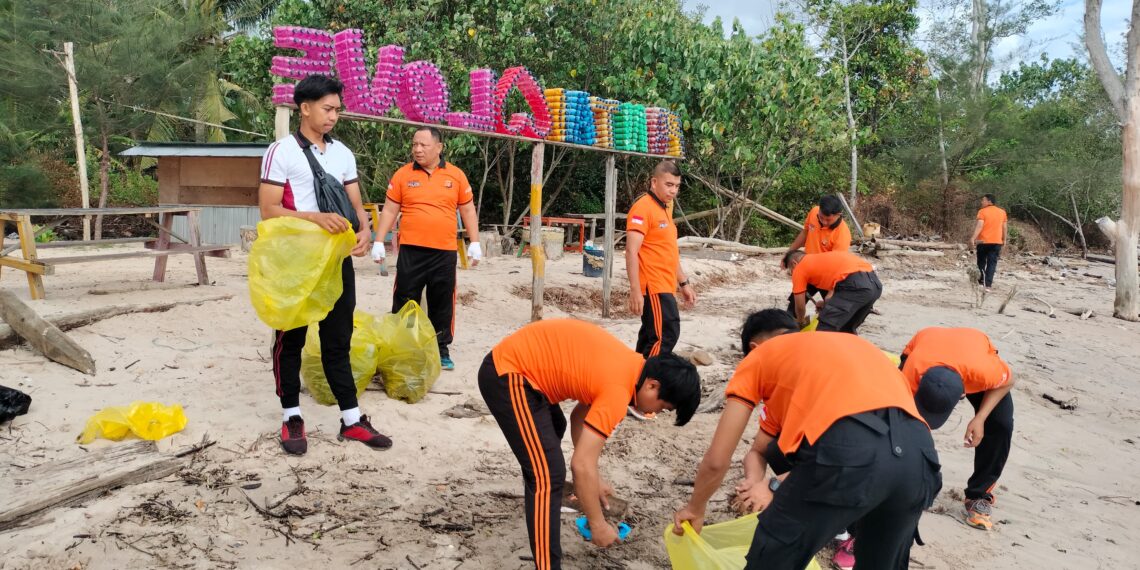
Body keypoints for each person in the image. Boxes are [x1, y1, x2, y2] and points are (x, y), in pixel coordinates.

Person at [673, 310, 941, 569]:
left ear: (753, 348)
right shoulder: (846, 347)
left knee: (772, 555)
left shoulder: (761, 357)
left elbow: (718, 459)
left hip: (850, 456)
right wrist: (756, 481)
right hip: (920, 459)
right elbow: (760, 450)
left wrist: (696, 508)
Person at [479, 319, 701, 570]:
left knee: (553, 431)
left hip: (524, 374)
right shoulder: (618, 390)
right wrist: (597, 524)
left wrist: (594, 479)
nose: (657, 413)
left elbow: (579, 418)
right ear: (652, 385)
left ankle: (546, 499)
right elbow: (581, 464)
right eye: (663, 407)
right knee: (547, 476)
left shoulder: (630, 367)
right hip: (509, 375)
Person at [257, 74, 392, 454]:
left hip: (335, 262)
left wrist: (365, 231)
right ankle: (291, 416)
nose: (333, 116)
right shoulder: (280, 151)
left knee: (338, 339)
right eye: (327, 108)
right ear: (305, 107)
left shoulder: (342, 154)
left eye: (337, 109)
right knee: (291, 339)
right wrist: (316, 219)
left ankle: (351, 420)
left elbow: (355, 205)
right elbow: (268, 210)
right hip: (296, 262)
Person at [371, 126, 482, 371]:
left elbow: (467, 209)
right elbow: (390, 210)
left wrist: (474, 241)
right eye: (414, 145)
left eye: (423, 145)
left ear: (439, 148)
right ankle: (399, 345)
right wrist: (379, 240)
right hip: (411, 249)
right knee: (404, 297)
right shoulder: (402, 175)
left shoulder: (456, 176)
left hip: (444, 251)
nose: (417, 150)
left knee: (442, 300)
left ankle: (440, 348)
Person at [901, 327, 1015, 531]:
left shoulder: (984, 373)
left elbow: (1009, 381)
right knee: (903, 418)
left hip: (974, 348)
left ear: (962, 394)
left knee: (1000, 424)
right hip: (927, 341)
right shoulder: (911, 372)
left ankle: (979, 496)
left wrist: (980, 417)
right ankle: (901, 478)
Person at [625, 160, 696, 358]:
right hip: (654, 286)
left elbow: (669, 251)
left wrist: (684, 283)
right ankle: (648, 379)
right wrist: (635, 290)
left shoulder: (665, 207)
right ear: (654, 182)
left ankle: (636, 380)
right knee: (665, 336)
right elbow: (631, 251)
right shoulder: (642, 208)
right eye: (669, 185)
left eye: (677, 186)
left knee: (651, 337)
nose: (673, 191)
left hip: (666, 284)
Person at [782, 250, 881, 334]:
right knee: (846, 330)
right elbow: (841, 280)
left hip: (854, 286)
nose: (792, 273)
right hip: (875, 285)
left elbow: (800, 306)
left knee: (825, 328)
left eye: (791, 270)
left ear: (794, 263)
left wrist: (800, 321)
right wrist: (826, 303)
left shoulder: (799, 268)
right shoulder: (824, 258)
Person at [782, 196, 852, 312]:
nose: (824, 222)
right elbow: (804, 234)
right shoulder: (814, 211)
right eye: (821, 217)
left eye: (828, 220)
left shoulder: (842, 234)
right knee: (793, 309)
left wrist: (831, 293)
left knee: (832, 312)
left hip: (827, 277)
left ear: (839, 214)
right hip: (808, 272)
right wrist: (788, 254)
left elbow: (838, 267)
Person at [970, 194, 1008, 291]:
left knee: (981, 262)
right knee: (992, 263)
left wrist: (973, 238)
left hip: (983, 241)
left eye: (983, 200)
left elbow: (980, 226)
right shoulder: (1002, 212)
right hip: (996, 242)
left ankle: (981, 281)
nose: (981, 202)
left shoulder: (982, 212)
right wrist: (1004, 239)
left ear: (989, 201)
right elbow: (1004, 227)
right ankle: (988, 285)